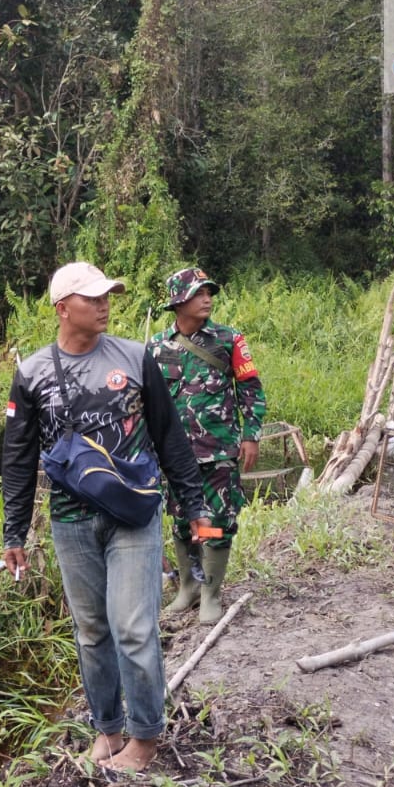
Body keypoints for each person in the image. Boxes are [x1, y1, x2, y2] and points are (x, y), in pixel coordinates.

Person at [2, 262, 215, 773]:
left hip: (134, 514)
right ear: (62, 308)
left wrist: (194, 505)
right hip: (71, 520)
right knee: (92, 629)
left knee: (134, 627)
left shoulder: (135, 358)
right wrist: (14, 531)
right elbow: (17, 455)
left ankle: (144, 738)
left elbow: (169, 437)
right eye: (92, 297)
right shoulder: (32, 373)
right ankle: (107, 729)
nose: (104, 304)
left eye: (108, 296)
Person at [148, 267, 267, 623]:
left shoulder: (228, 340)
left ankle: (211, 592)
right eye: (199, 293)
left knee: (217, 520)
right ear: (178, 301)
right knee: (182, 520)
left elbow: (251, 389)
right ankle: (188, 587)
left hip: (218, 450)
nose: (207, 299)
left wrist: (250, 435)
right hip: (172, 455)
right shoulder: (156, 346)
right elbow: (147, 401)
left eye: (209, 292)